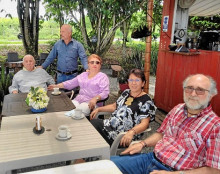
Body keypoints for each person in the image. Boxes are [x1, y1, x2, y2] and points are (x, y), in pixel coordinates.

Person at [111, 74, 220, 174]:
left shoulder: (215, 126)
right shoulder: (177, 109)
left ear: (210, 95)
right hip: (150, 159)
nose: (193, 94)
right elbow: (161, 133)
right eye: (189, 88)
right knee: (105, 165)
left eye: (200, 90)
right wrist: (142, 144)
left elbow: (214, 170)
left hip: (175, 171)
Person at [90, 69, 157, 147]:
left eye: (137, 80)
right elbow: (114, 106)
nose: (133, 83)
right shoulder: (126, 92)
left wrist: (131, 132)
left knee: (93, 139)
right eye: (131, 80)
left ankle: (87, 157)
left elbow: (145, 124)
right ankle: (87, 157)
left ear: (143, 83)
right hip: (109, 126)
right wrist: (99, 109)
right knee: (90, 126)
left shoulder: (146, 100)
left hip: (122, 135)